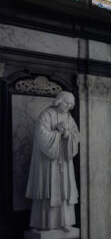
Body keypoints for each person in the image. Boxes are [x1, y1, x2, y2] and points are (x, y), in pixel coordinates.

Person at [25, 91, 81, 231]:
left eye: (71, 105)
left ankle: (65, 222)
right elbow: (41, 136)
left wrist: (67, 134)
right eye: (67, 103)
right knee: (46, 189)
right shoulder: (46, 114)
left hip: (64, 161)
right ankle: (43, 223)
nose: (68, 107)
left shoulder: (68, 117)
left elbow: (76, 135)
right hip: (48, 162)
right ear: (59, 101)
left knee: (64, 190)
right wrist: (57, 133)